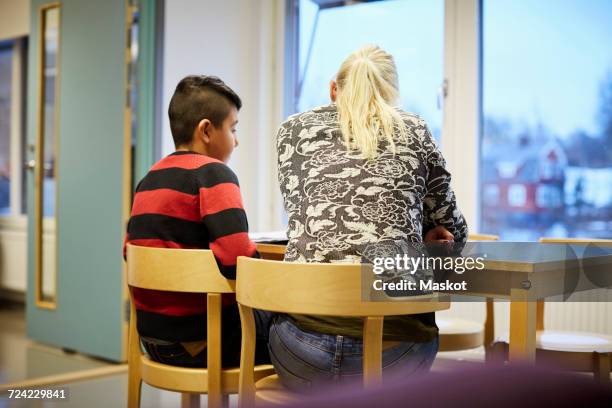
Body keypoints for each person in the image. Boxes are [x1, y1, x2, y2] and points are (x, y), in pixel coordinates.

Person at [273, 45, 468, 390]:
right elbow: (454, 234)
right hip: (394, 356)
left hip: (301, 357)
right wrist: (420, 232)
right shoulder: (415, 130)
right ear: (391, 94)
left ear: (334, 89)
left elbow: (301, 206)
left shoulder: (292, 131)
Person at [124, 75, 271, 368]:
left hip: (153, 344)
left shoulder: (148, 180)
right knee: (294, 332)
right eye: (233, 129)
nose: (237, 140)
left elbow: (130, 252)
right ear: (206, 130)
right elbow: (237, 260)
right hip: (205, 344)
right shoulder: (214, 174)